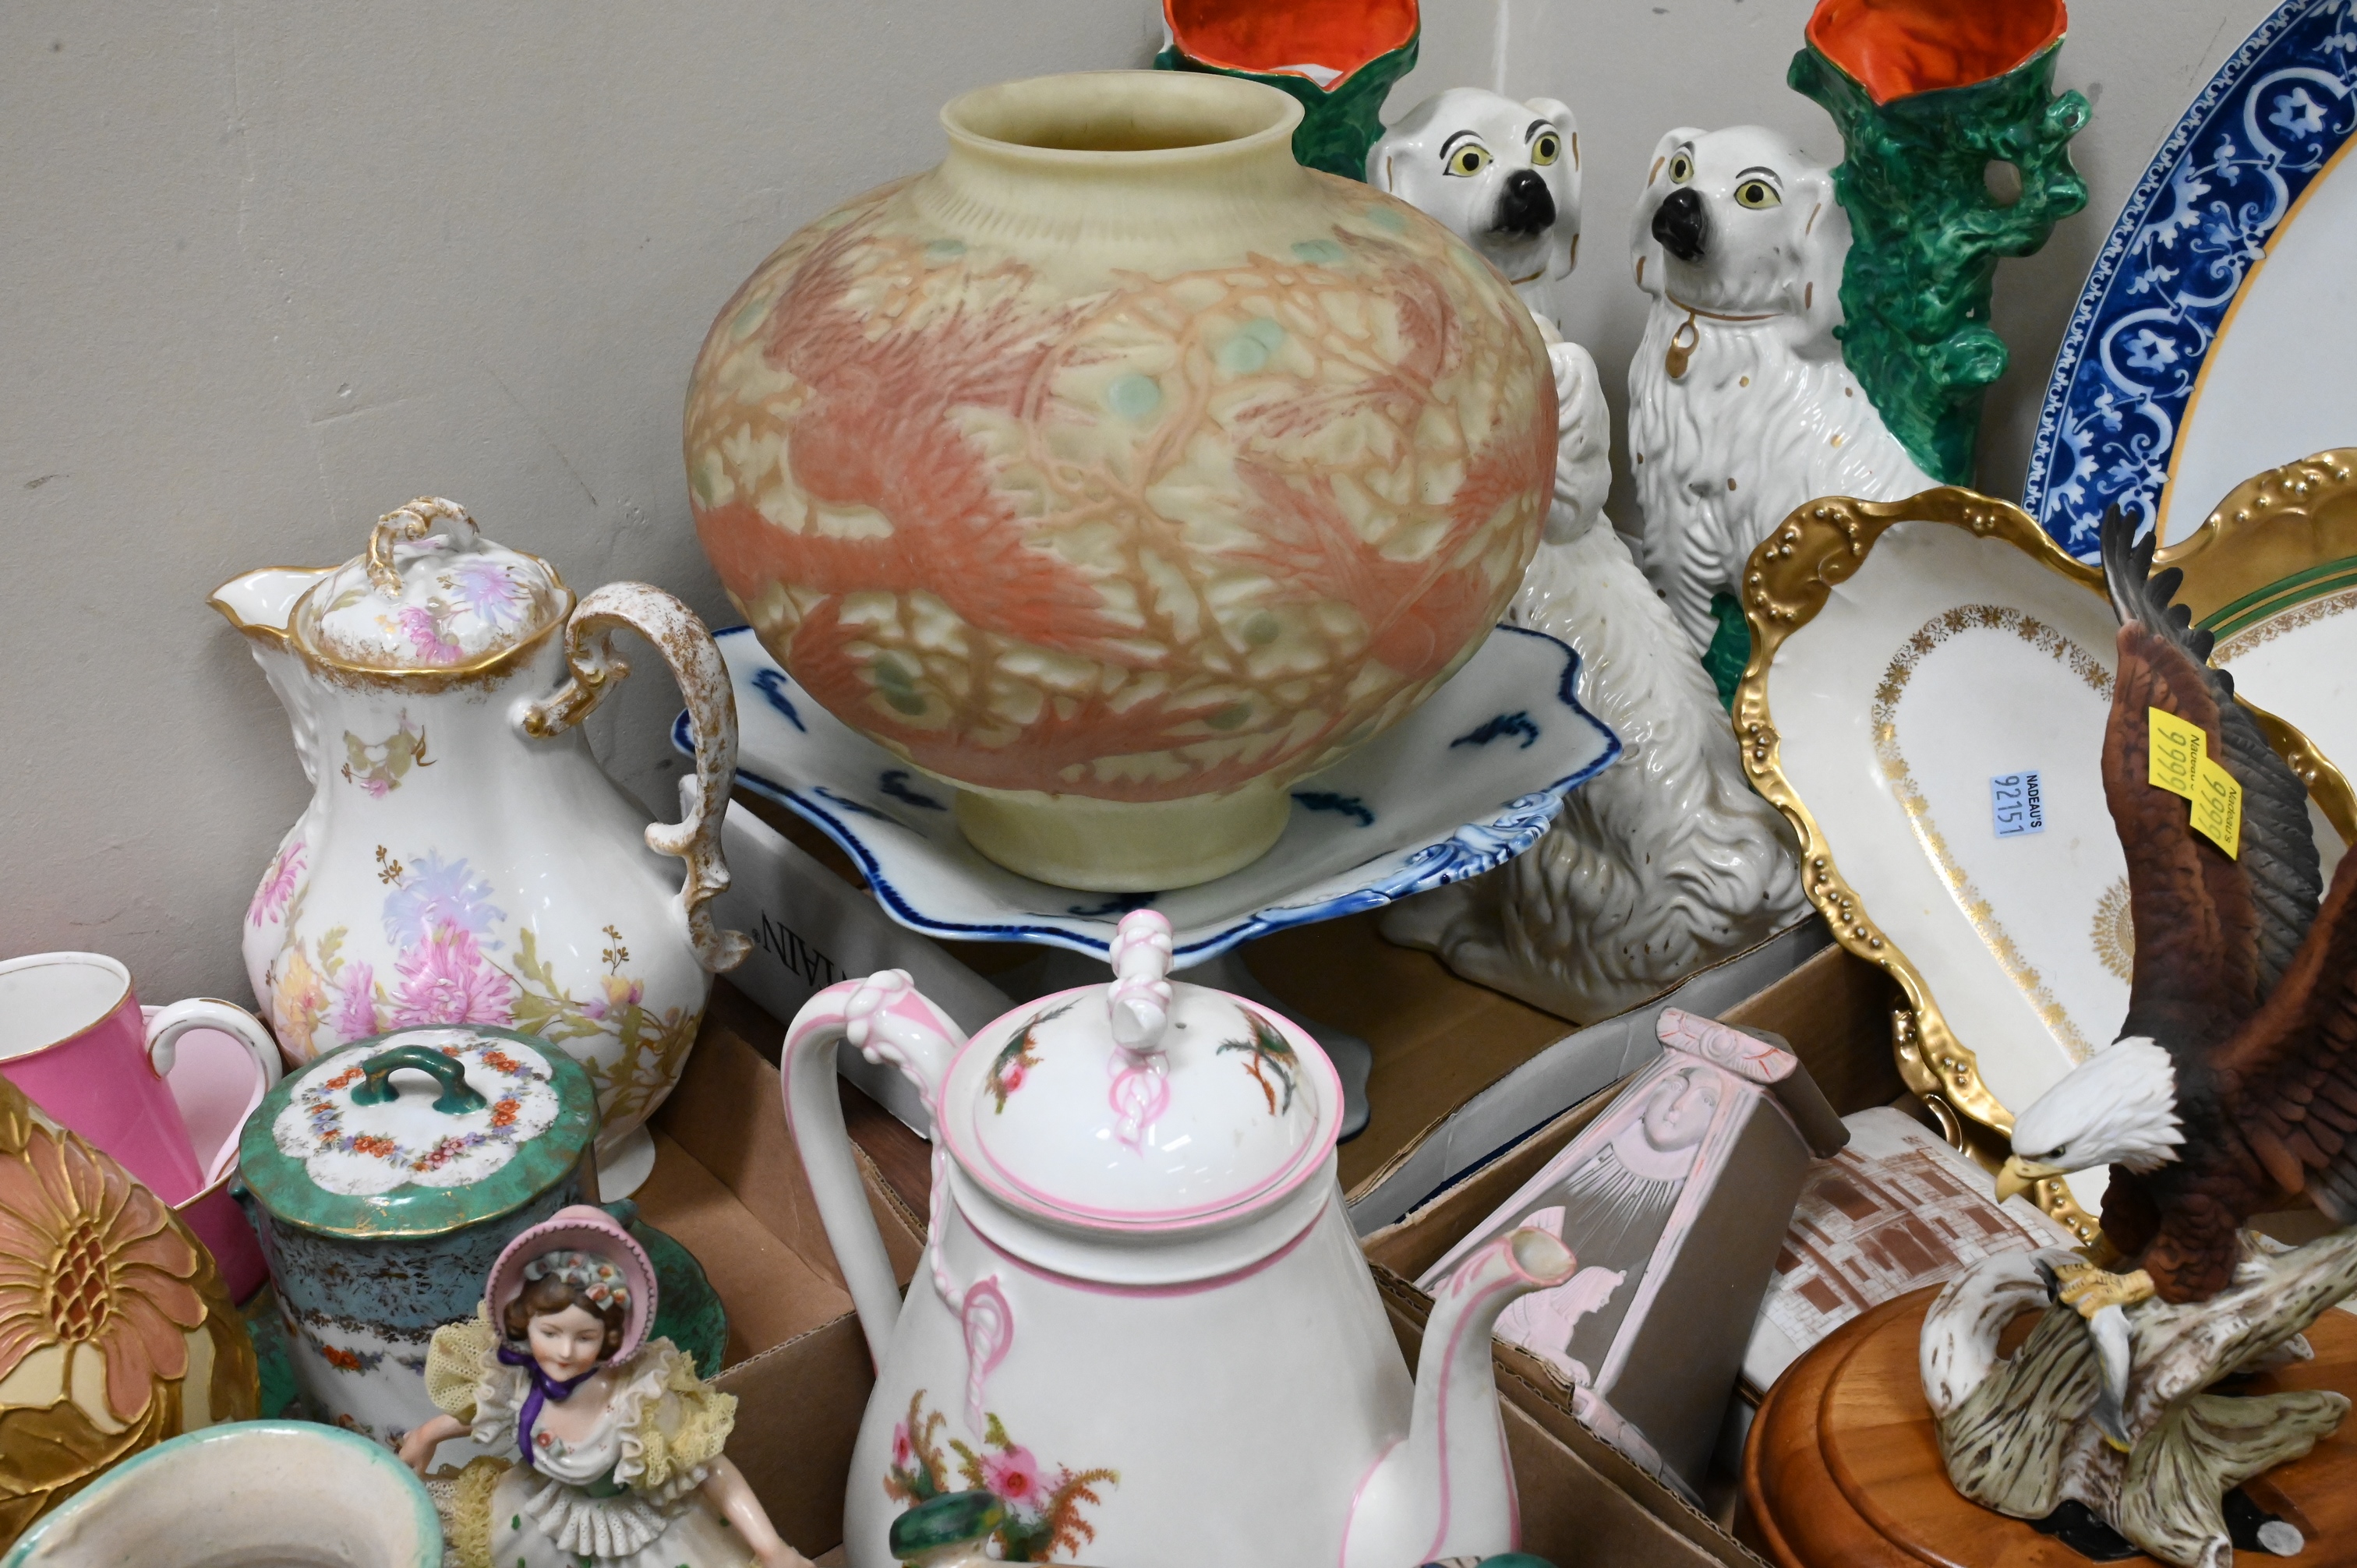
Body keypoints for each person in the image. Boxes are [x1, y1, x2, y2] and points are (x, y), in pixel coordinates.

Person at [398, 1204, 810, 1568]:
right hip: (544, 1517)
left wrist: (771, 1548)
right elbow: (489, 1409)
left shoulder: (638, 1397)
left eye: (585, 1337)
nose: (564, 1352)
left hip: (641, 1532)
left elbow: (711, 1469)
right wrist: (427, 1434)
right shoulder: (521, 1379)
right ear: (525, 1325)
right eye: (550, 1333)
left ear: (610, 1338)